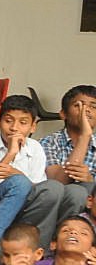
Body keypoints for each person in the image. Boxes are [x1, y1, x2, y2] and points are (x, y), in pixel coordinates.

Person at [0, 95, 71, 259]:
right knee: (19, 183)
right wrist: (10, 154)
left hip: (21, 210)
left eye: (23, 122)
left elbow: (38, 191)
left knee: (50, 188)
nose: (14, 128)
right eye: (8, 121)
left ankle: (35, 249)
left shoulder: (35, 148)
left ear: (33, 126)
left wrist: (17, 175)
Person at [41, 85, 96, 220]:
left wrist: (90, 181)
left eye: (93, 106)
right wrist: (85, 136)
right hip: (56, 207)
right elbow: (56, 182)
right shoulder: (49, 142)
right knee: (76, 193)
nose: (86, 110)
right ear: (63, 114)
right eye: (79, 105)